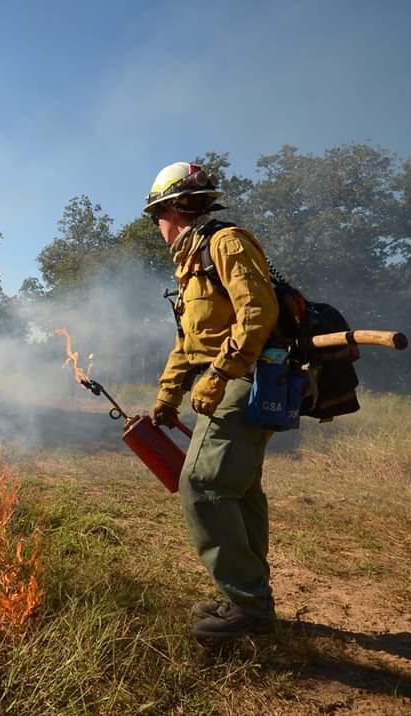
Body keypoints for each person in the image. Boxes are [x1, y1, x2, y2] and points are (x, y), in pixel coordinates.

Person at [145, 161, 281, 641]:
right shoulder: (191, 263)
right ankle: (247, 597)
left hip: (246, 379)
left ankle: (249, 607)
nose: (157, 226)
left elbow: (258, 312)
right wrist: (168, 395)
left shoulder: (226, 243)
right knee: (238, 489)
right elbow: (189, 341)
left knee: (203, 483)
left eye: (156, 215)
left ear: (174, 209)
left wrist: (221, 375)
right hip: (225, 378)